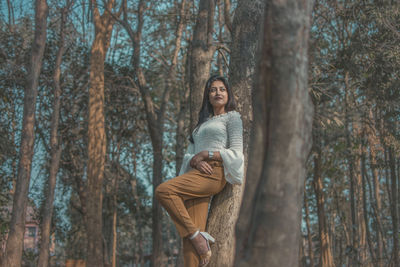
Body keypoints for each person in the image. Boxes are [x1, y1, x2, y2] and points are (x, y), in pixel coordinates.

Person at [155, 75, 244, 267]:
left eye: (222, 89)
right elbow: (190, 156)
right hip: (195, 175)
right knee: (189, 247)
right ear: (207, 95)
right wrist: (196, 160)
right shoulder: (199, 126)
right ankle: (196, 238)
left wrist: (207, 154)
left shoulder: (232, 117)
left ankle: (197, 236)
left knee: (163, 190)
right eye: (213, 90)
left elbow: (237, 153)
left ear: (228, 93)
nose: (217, 93)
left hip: (214, 173)